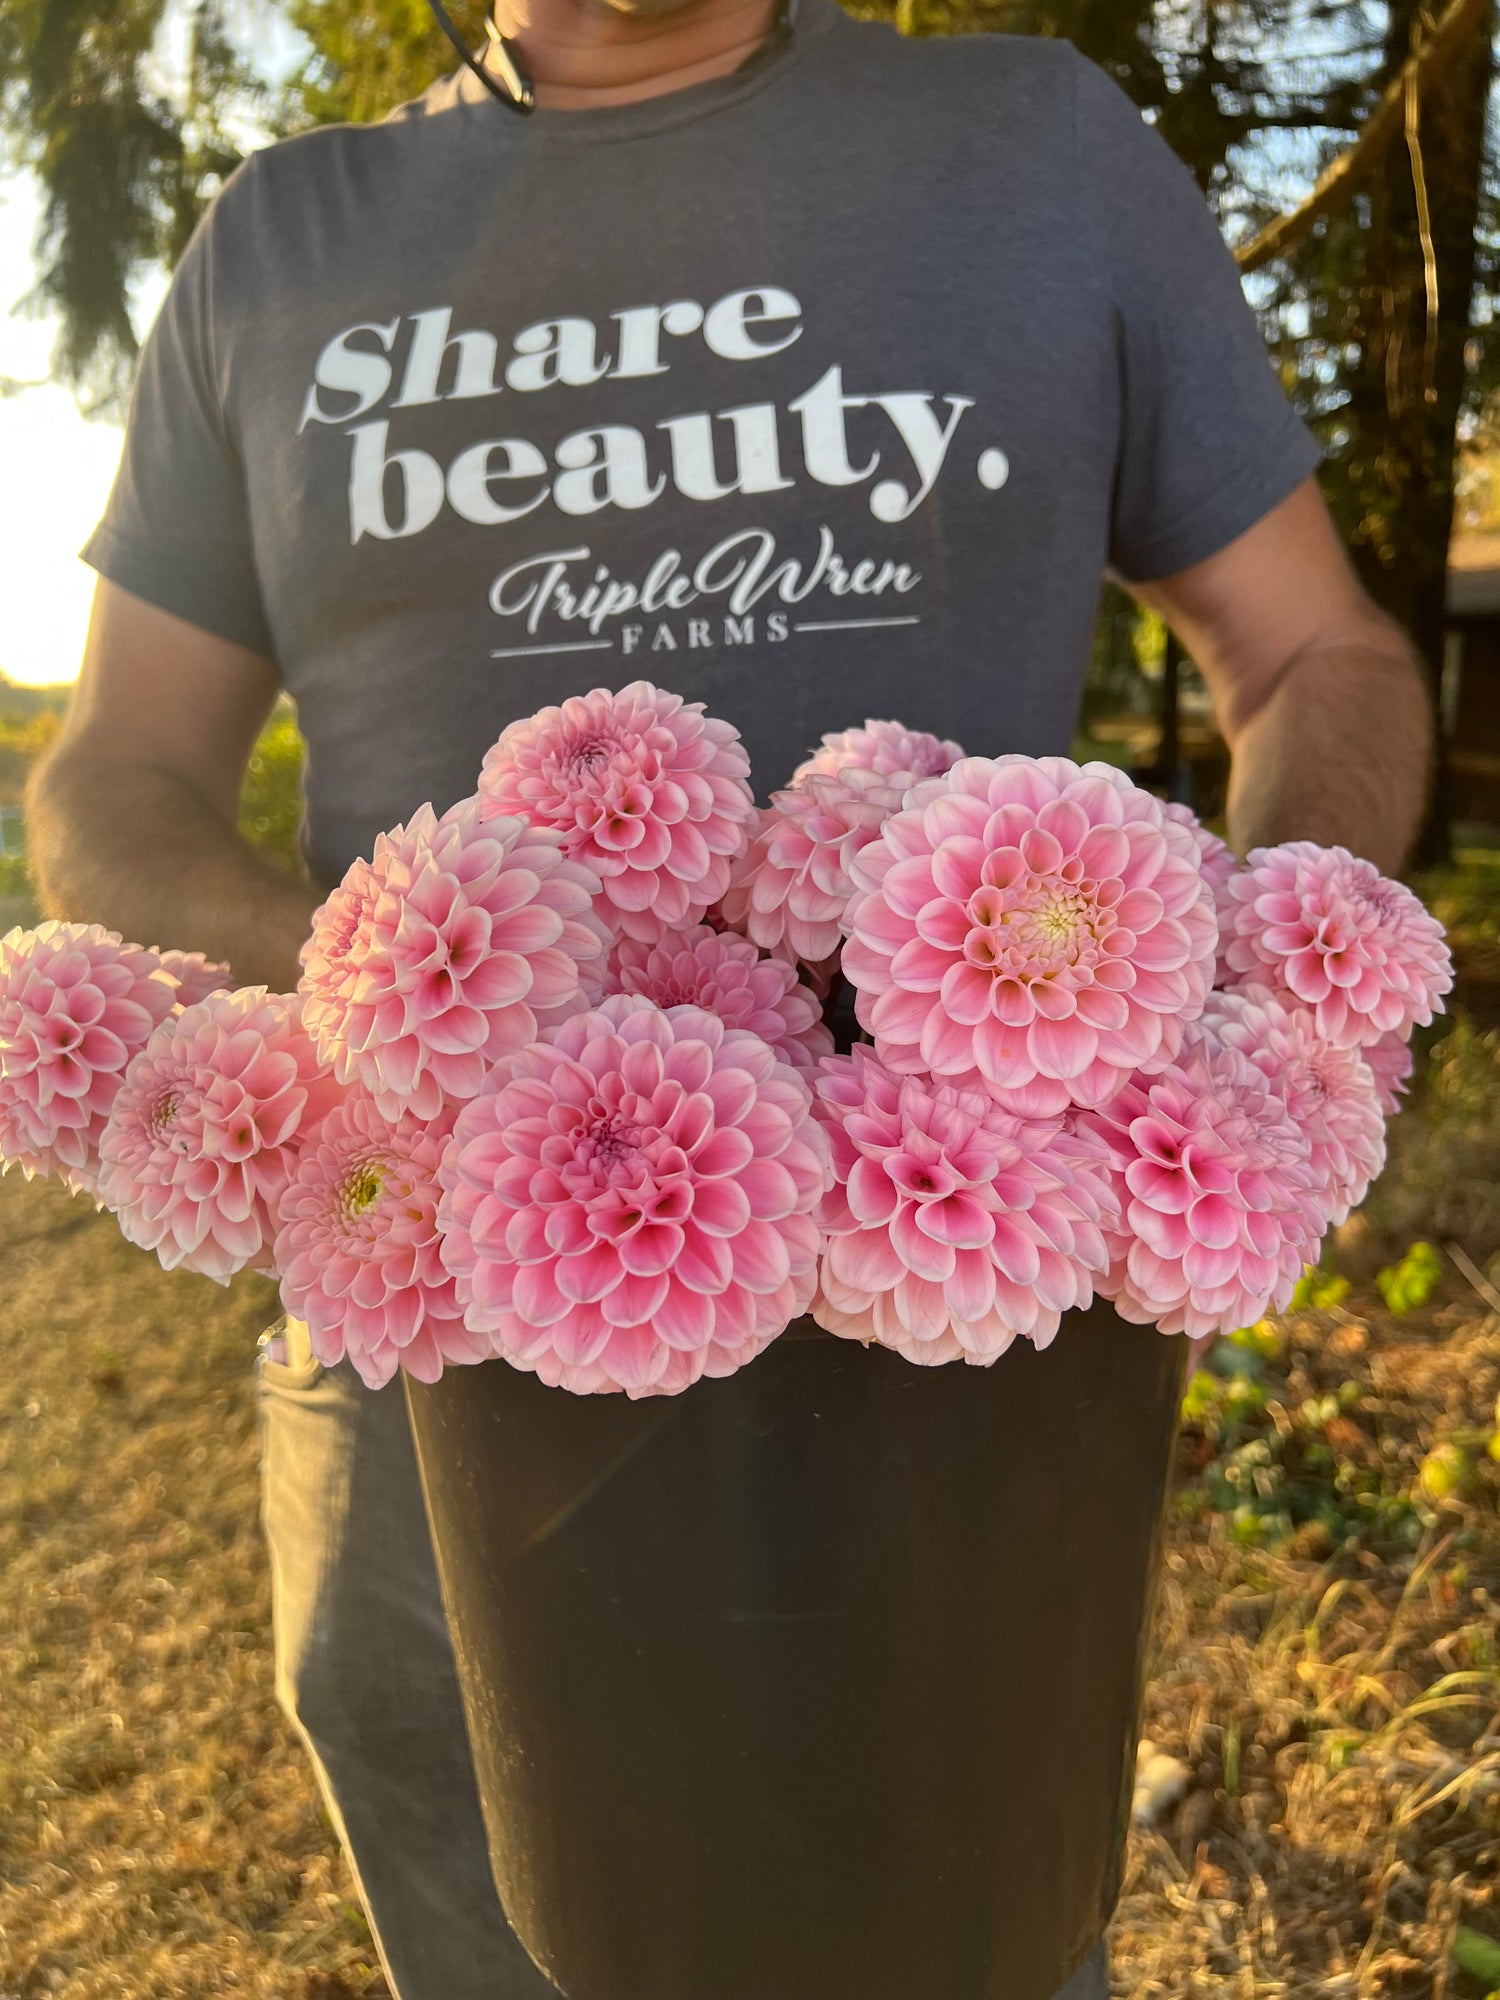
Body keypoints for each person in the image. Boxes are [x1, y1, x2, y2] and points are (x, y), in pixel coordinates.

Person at [28, 0, 1432, 1992]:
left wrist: (1265, 995)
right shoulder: (280, 235)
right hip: (439, 1333)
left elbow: (1321, 661)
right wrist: (382, 1001)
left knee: (970, 1928)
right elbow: (117, 774)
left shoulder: (1035, 144)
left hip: (970, 1337)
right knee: (509, 1931)